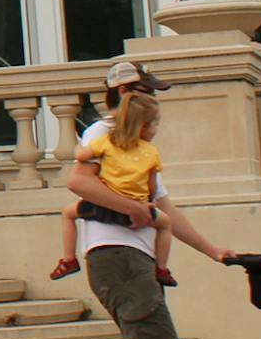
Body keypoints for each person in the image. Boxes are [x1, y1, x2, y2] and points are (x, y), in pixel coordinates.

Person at [66, 61, 232, 339]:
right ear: (127, 94)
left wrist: (211, 249)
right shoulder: (101, 134)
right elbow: (79, 183)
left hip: (133, 257)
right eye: (147, 92)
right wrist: (134, 210)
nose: (155, 102)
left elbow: (166, 209)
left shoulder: (138, 146)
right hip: (116, 254)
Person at [52, 92, 176, 285]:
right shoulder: (151, 152)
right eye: (154, 124)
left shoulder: (107, 142)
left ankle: (68, 259)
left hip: (104, 207)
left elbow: (83, 155)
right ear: (142, 127)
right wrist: (147, 202)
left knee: (68, 214)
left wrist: (78, 148)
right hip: (139, 208)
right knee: (166, 224)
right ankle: (162, 268)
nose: (156, 129)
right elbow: (151, 186)